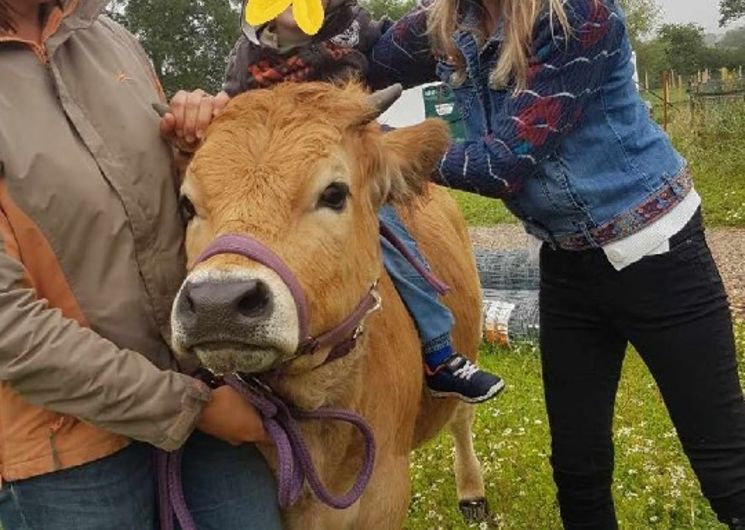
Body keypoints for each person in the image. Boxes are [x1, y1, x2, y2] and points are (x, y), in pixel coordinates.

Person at [366, 0, 745, 528]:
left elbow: (504, 165)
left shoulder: (580, 17)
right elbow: (362, 61)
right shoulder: (445, 20)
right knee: (577, 466)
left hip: (658, 253)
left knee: (725, 463)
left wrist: (371, 147)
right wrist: (288, 41)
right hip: (566, 262)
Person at [0, 1, 281, 528]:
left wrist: (192, 147)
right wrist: (188, 409)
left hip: (198, 382)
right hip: (66, 441)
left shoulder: (106, 37)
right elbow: (9, 325)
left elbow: (166, 201)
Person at [223, 0, 505, 403]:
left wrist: (444, 29)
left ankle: (439, 352)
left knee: (394, 240)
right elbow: (234, 105)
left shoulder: (352, 26)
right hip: (273, 174)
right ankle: (217, 356)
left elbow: (403, 40)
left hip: (339, 161)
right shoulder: (247, 56)